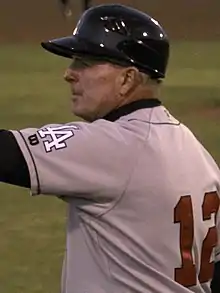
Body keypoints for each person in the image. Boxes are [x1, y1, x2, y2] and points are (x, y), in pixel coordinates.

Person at [0, 4, 219, 293]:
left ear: (127, 78)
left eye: (85, 62)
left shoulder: (117, 144)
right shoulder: (196, 152)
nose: (69, 73)